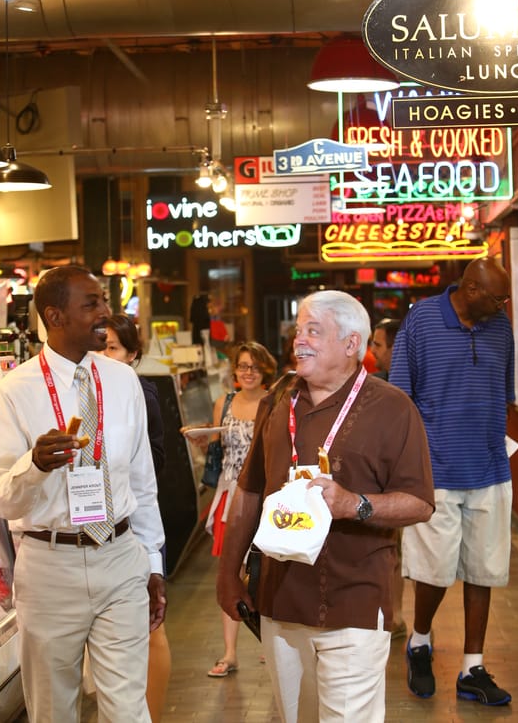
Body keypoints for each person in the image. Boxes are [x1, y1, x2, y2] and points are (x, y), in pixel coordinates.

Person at [216, 290, 434, 723]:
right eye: (298, 330)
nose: (299, 341)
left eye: (313, 331)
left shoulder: (393, 408)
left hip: (354, 601)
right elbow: (249, 493)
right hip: (279, 601)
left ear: (352, 344)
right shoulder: (277, 403)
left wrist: (355, 504)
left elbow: (420, 503)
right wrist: (228, 574)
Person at [0, 265, 166, 723]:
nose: (106, 312)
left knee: (127, 709)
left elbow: (142, 479)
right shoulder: (13, 391)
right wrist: (35, 466)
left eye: (104, 300)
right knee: (53, 709)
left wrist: (153, 562)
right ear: (55, 315)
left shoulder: (123, 381)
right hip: (49, 566)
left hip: (120, 557)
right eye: (92, 304)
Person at [389, 256, 515, 707]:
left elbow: (505, 392)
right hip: (435, 472)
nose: (504, 305)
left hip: (490, 469)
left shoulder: (500, 327)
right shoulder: (421, 321)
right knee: (435, 571)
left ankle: (471, 668)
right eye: (498, 297)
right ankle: (419, 643)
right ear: (471, 289)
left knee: (484, 571)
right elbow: (401, 398)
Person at [185, 341, 277, 679]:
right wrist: (201, 439)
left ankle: (272, 643)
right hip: (230, 496)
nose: (248, 372)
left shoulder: (275, 401)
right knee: (230, 571)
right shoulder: (223, 402)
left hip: (268, 497)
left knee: (269, 569)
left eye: (254, 366)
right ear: (234, 371)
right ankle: (230, 652)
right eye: (242, 366)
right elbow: (217, 443)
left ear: (265, 368)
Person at [103, 313, 171, 723]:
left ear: (132, 354)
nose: (102, 354)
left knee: (152, 631)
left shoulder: (139, 392)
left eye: (111, 347)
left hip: (137, 526)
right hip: (106, 528)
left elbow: (153, 463)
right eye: (99, 345)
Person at [369, 317, 406, 641]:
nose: (373, 351)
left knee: (402, 552)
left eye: (378, 345)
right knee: (388, 549)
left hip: (405, 483)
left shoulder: (410, 384)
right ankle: (390, 614)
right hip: (381, 482)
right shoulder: (374, 382)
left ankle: (399, 615)